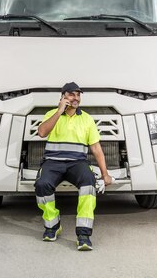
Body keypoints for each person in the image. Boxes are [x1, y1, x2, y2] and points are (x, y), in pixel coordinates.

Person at [35, 81, 113, 251]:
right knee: (42, 185)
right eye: (71, 94)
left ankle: (83, 235)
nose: (75, 98)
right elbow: (42, 133)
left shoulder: (87, 119)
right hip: (53, 163)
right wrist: (59, 111)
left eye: (78, 95)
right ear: (62, 97)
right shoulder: (51, 114)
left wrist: (105, 174)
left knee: (88, 184)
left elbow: (96, 148)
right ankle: (52, 226)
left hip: (77, 163)